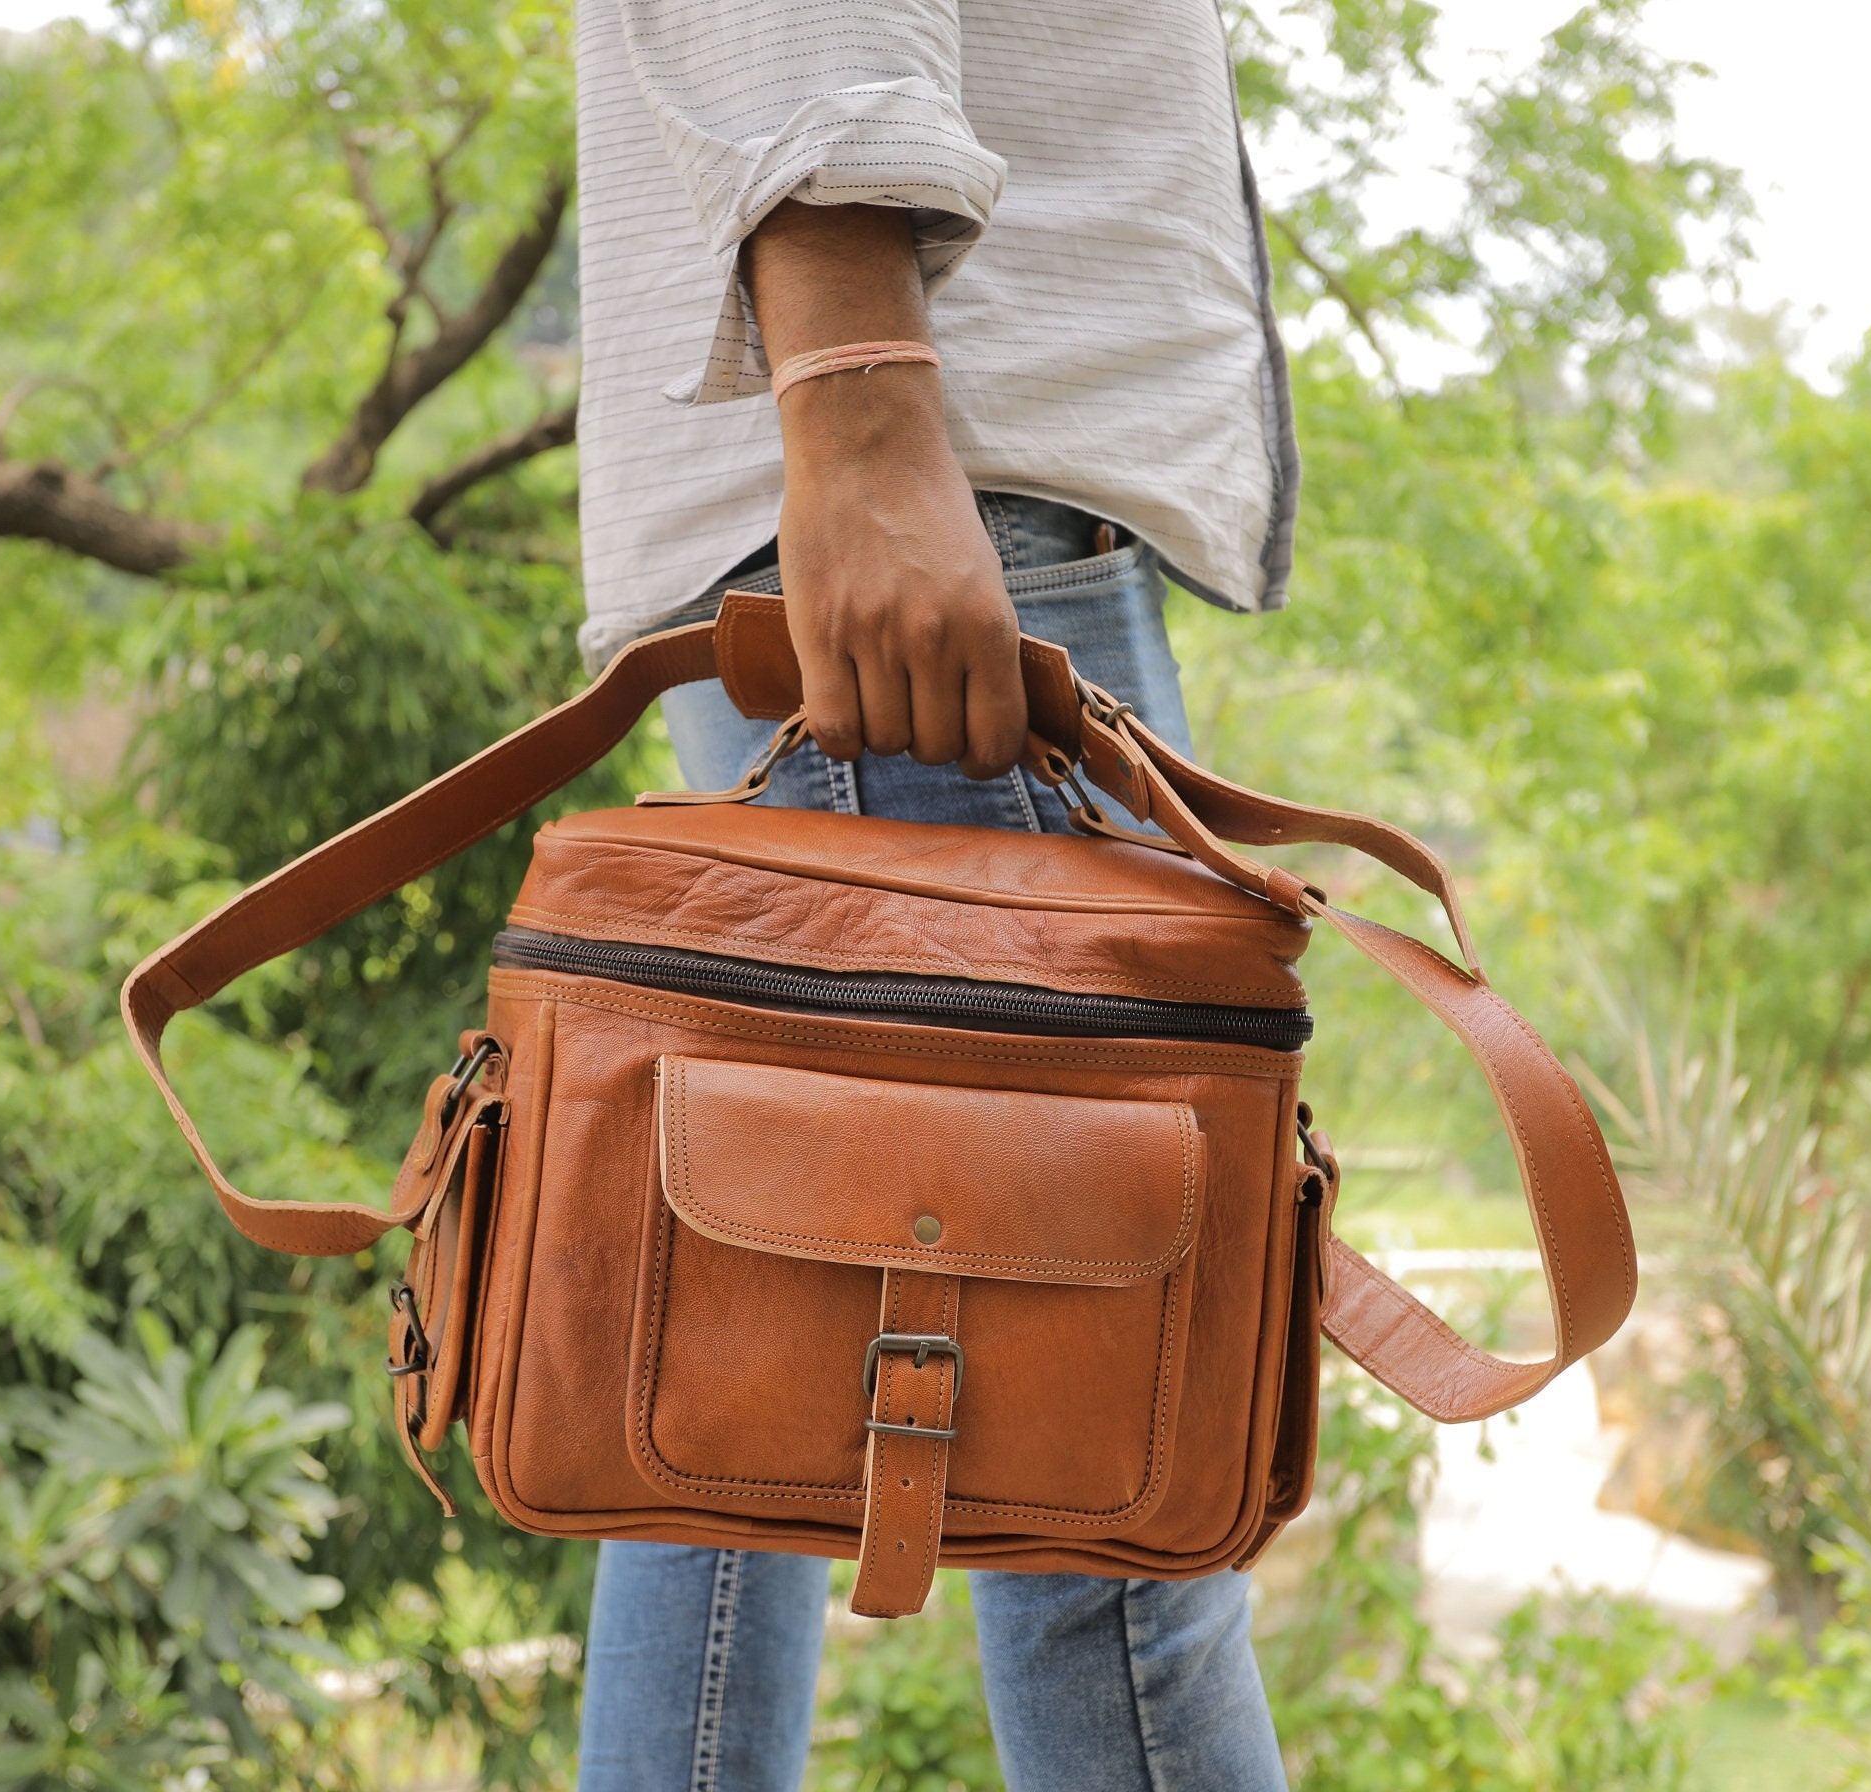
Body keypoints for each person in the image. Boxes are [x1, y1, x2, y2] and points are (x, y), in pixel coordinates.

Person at [570, 2, 1300, 1785]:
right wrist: (860, 404)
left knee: (717, 1391)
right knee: (1103, 1467)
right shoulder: (893, 465)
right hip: (946, 528)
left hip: (936, 518)